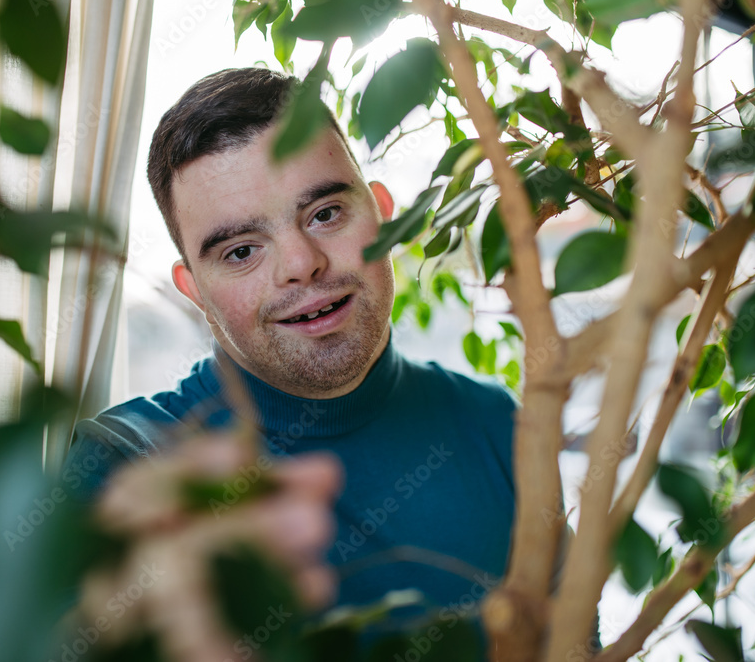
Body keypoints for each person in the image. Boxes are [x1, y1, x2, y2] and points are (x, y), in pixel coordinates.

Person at [63, 66, 517, 652]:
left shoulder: (497, 426)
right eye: (242, 250)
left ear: (380, 213)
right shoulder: (122, 467)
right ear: (194, 289)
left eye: (325, 214)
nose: (301, 263)